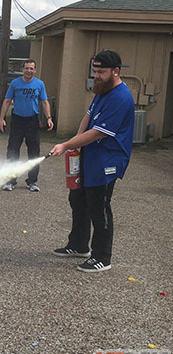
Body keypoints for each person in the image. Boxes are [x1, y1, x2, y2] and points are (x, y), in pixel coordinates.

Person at [49, 50, 135, 273]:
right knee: (77, 199)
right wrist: (75, 141)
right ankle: (78, 244)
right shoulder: (102, 90)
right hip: (90, 156)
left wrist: (66, 145)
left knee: (99, 207)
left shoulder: (121, 97)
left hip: (107, 160)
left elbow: (98, 132)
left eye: (101, 72)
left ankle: (102, 257)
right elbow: (88, 117)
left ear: (116, 71)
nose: (96, 75)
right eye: (94, 71)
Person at [0, 59, 54, 192]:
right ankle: (11, 181)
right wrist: (1, 119)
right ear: (22, 69)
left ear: (35, 70)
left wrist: (49, 118)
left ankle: (32, 182)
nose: (29, 71)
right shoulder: (15, 83)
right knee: (12, 151)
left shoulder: (39, 84)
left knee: (34, 152)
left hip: (32, 122)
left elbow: (45, 102)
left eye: (31, 69)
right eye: (27, 68)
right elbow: (7, 101)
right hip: (17, 120)